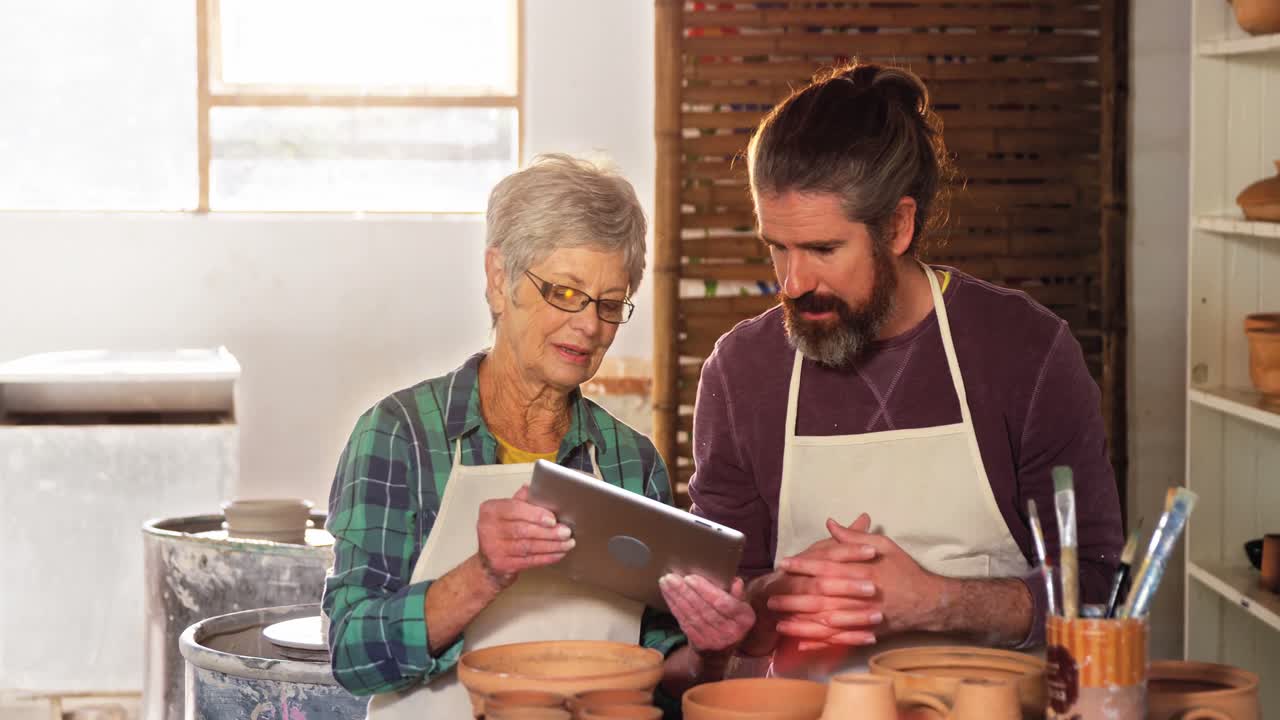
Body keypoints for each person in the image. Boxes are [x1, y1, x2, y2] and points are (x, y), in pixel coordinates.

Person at [688, 63, 1124, 678]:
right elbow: (728, 610)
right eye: (776, 245)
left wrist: (935, 603)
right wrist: (766, 602)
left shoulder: (1024, 351)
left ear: (897, 225)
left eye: (822, 250)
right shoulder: (741, 371)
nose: (792, 282)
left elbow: (1100, 588)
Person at [322, 154, 754, 719]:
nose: (591, 326)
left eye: (607, 303)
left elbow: (658, 669)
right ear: (499, 280)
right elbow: (352, 655)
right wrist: (483, 574)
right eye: (566, 293)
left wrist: (708, 651)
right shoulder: (400, 436)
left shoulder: (627, 459)